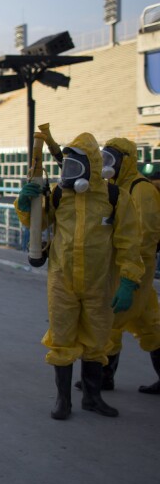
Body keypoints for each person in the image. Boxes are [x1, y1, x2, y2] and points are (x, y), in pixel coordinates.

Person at [15, 132, 143, 420]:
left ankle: (92, 397)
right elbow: (38, 222)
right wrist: (24, 204)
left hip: (100, 282)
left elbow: (129, 242)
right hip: (62, 280)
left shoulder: (114, 197)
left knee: (97, 339)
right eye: (66, 167)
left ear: (92, 166)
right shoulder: (60, 195)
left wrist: (128, 280)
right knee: (62, 338)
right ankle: (63, 401)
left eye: (75, 167)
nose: (69, 174)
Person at [75, 137, 160, 393]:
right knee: (150, 323)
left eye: (112, 159)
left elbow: (144, 237)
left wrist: (129, 276)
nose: (107, 164)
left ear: (127, 160)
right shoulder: (113, 187)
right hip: (124, 267)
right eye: (105, 158)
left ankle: (103, 378)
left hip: (132, 270)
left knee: (110, 322)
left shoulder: (141, 190)